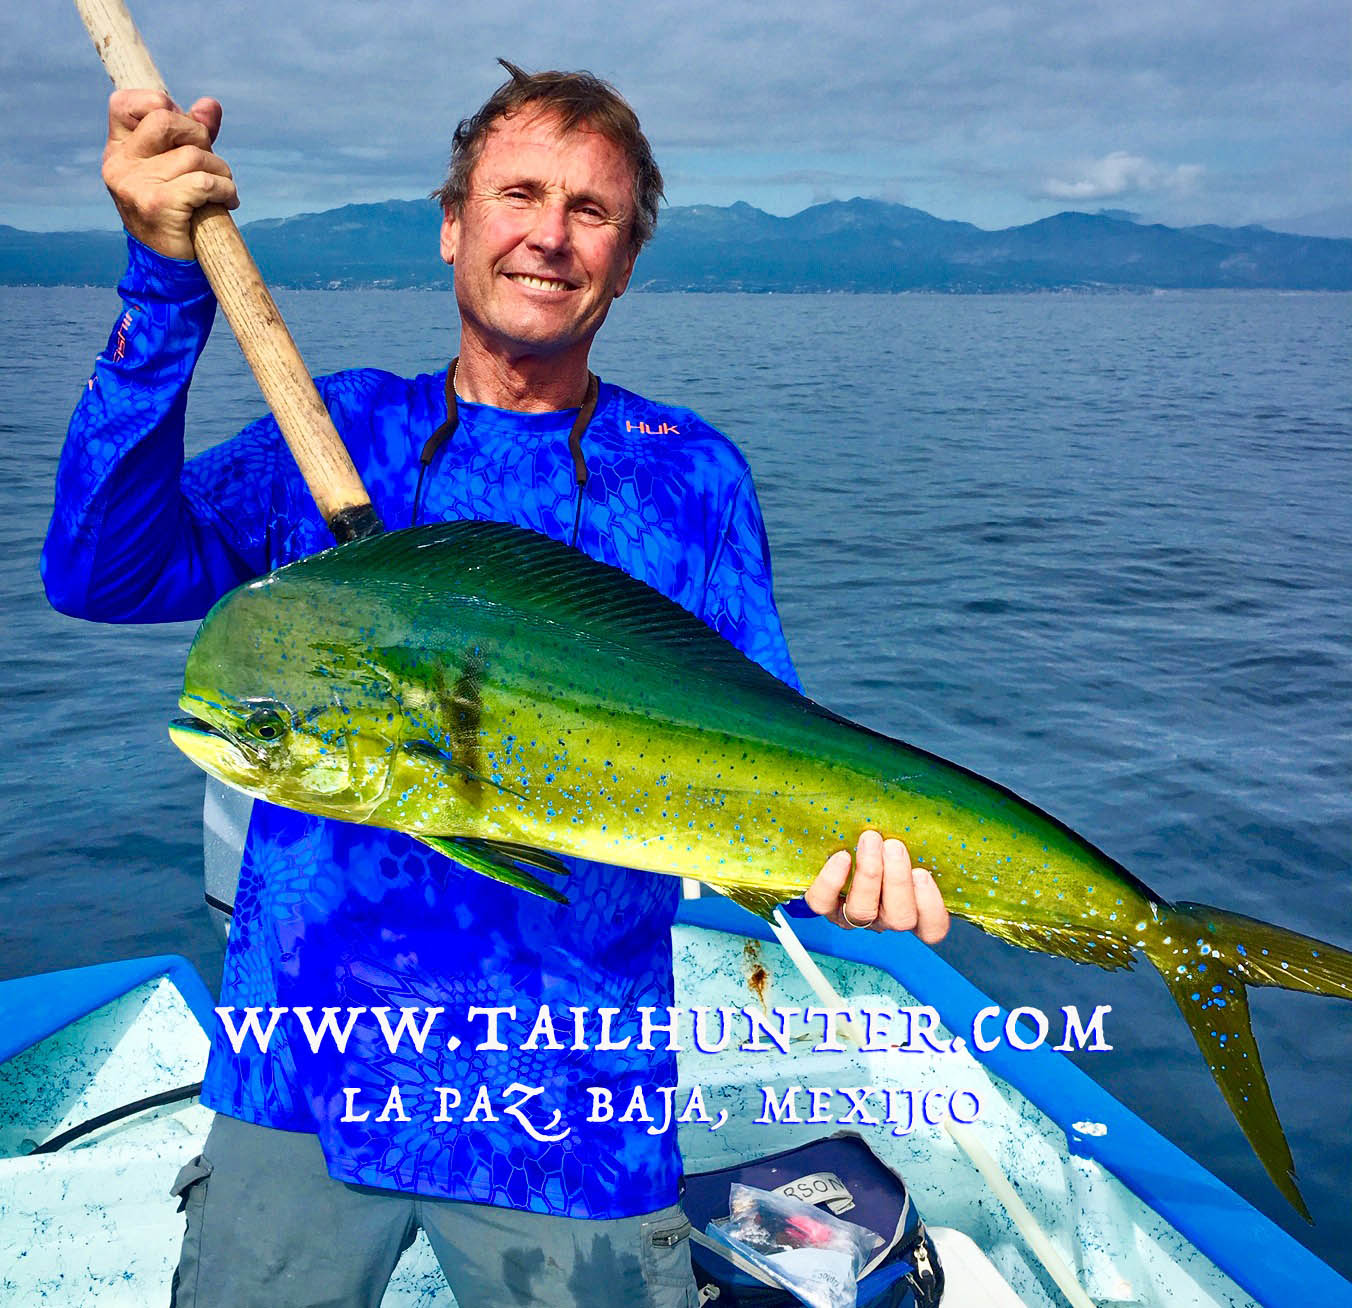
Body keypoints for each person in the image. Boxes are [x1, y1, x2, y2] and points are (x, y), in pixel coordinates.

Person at [42, 63, 949, 1308]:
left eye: (591, 210)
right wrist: (160, 276)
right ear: (452, 223)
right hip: (303, 1075)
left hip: (572, 1106)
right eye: (517, 194)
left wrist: (838, 868)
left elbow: (762, 755)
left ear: (624, 261)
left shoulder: (690, 478)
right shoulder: (336, 432)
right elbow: (100, 571)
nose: (548, 234)